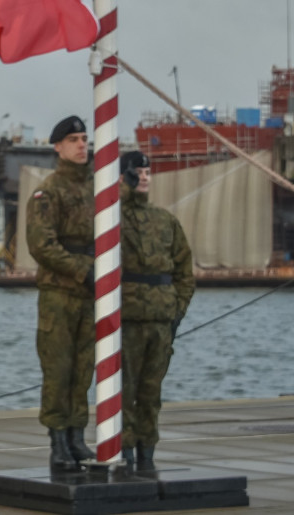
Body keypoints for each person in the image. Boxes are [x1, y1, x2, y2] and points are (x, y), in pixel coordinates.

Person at [25, 115, 96, 471]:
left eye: (84, 138)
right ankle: (57, 441)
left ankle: (77, 435)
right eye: (73, 140)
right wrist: (83, 270)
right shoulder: (48, 192)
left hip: (91, 293)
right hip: (60, 294)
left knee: (84, 368)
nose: (82, 145)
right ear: (58, 147)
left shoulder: (99, 188)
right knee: (58, 368)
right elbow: (41, 244)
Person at [118, 150, 194, 470]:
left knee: (151, 392)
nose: (145, 177)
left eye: (148, 172)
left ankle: (147, 452)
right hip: (127, 319)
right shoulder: (112, 218)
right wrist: (123, 191)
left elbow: (184, 270)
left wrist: (177, 310)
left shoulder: (165, 220)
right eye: (138, 172)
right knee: (124, 391)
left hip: (161, 320)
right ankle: (124, 450)